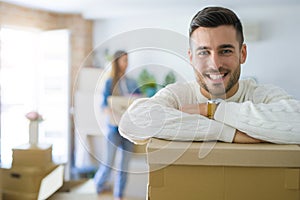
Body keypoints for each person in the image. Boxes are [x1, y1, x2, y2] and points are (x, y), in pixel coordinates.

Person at [119, 7, 300, 145]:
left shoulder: (260, 95)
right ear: (191, 57)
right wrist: (227, 133)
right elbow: (133, 121)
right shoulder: (178, 95)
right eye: (204, 52)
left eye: (226, 50)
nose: (215, 64)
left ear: (242, 53)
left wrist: (210, 110)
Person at [94, 50, 140, 200]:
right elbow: (103, 105)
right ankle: (96, 188)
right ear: (117, 62)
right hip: (114, 129)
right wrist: (114, 113)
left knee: (124, 167)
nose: (126, 63)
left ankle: (119, 196)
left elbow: (140, 100)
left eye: (127, 60)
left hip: (129, 130)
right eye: (124, 60)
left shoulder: (132, 82)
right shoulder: (109, 82)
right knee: (108, 164)